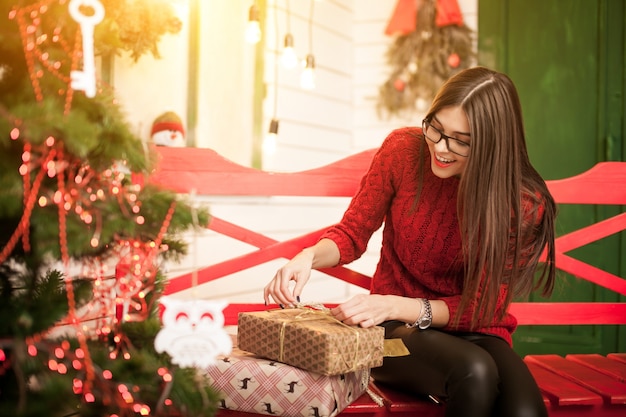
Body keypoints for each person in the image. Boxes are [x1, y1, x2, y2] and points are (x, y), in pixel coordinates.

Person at [263, 66, 556, 417]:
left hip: (474, 328)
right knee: (474, 373)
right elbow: (353, 233)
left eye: (461, 140)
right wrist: (306, 258)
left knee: (525, 412)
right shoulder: (402, 150)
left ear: (493, 144)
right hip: (392, 333)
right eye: (436, 128)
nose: (441, 148)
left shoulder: (522, 203)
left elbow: (484, 308)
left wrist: (395, 304)